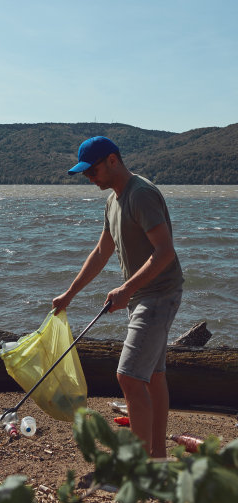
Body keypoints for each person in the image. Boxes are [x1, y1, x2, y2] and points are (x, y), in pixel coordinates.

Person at [52, 136, 183, 458]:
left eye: (92, 171)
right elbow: (101, 252)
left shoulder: (141, 194)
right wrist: (70, 293)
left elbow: (165, 252)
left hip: (158, 294)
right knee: (152, 375)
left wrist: (126, 290)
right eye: (85, 174)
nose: (89, 178)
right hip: (143, 295)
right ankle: (156, 456)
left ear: (113, 160)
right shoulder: (113, 200)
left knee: (128, 376)